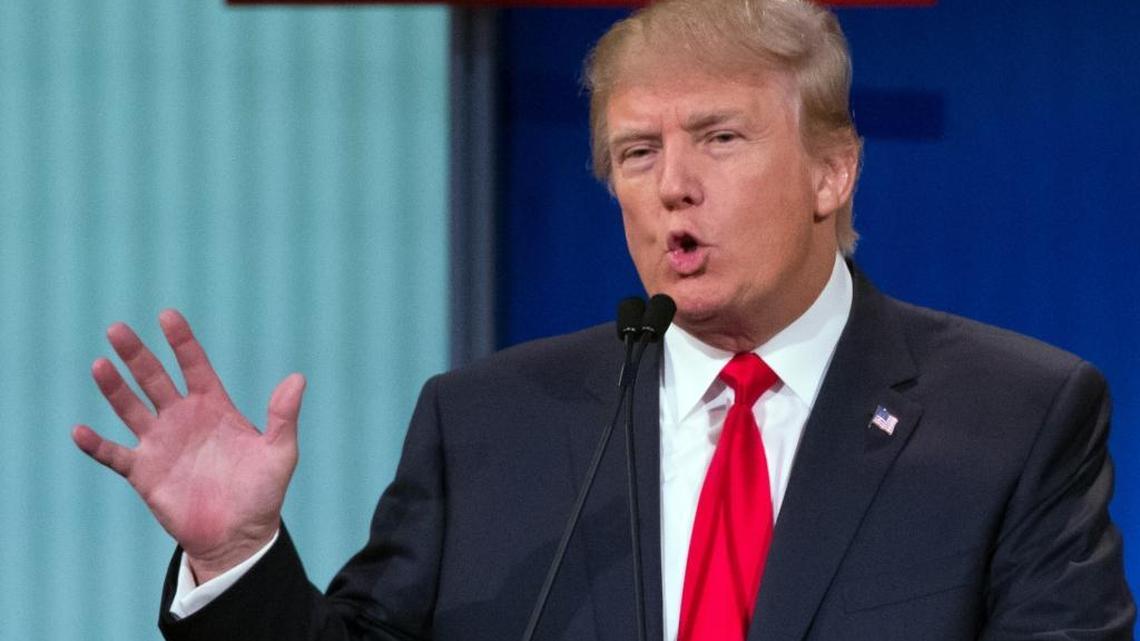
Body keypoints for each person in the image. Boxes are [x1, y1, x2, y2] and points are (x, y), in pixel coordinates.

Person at [72, 0, 1135, 639]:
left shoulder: (1011, 417)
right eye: (637, 152)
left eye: (719, 138)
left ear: (831, 170)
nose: (673, 184)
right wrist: (242, 554)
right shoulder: (487, 424)